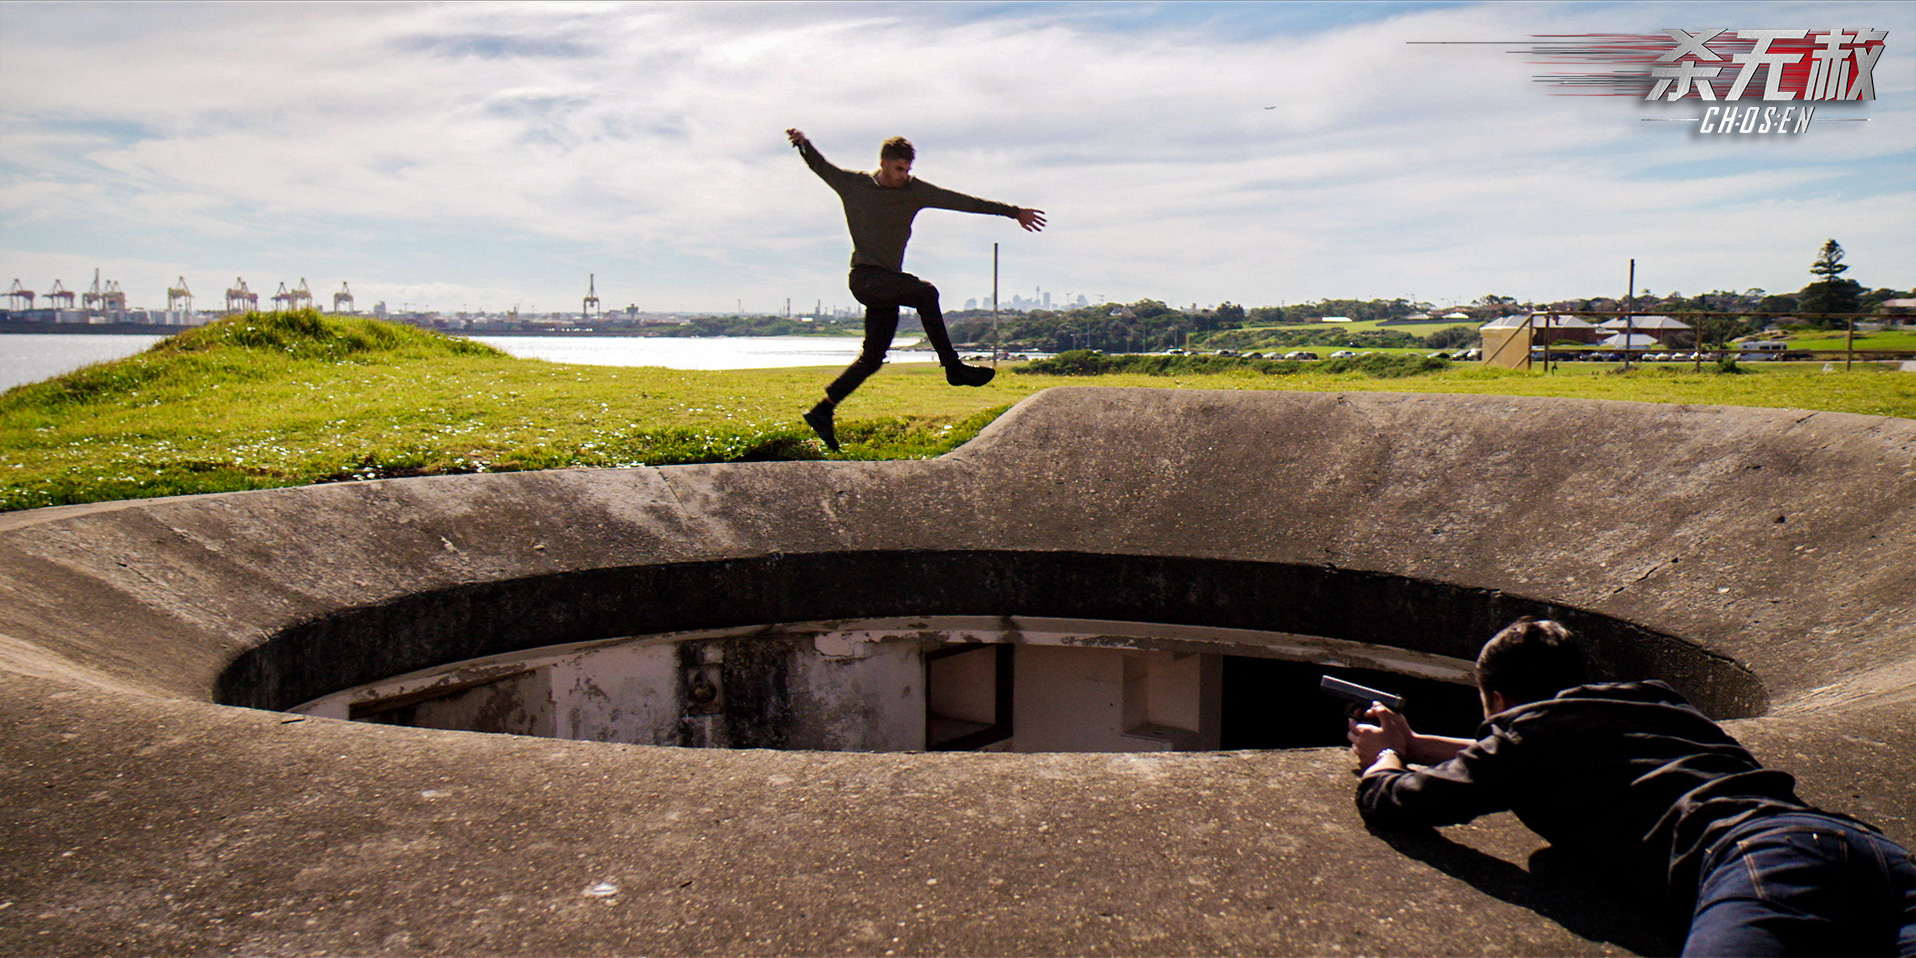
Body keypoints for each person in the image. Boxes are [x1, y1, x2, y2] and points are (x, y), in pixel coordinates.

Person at [1348, 617, 1916, 956]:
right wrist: (1420, 744)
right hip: (1867, 851)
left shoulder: (1531, 737)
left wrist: (1385, 758)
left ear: (1497, 702)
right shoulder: (1657, 700)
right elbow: (1543, 756)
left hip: (1760, 862)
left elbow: (1393, 802)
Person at [787, 128, 1045, 451]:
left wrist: (1012, 212)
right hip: (866, 279)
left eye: (908, 170)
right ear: (883, 163)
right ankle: (952, 367)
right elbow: (821, 167)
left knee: (872, 358)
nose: (904, 176)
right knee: (926, 292)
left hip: (887, 285)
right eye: (899, 169)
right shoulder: (855, 185)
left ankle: (823, 410)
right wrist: (803, 144)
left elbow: (962, 201)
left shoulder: (914, 191)